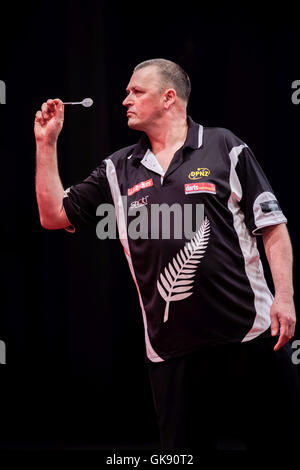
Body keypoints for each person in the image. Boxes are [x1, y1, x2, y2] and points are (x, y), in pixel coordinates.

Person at [34, 58, 300, 452]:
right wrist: (46, 143)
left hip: (250, 336)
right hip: (171, 353)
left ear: (168, 98)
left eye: (136, 91)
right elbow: (53, 215)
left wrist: (286, 296)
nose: (125, 99)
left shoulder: (224, 145)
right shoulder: (117, 168)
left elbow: (273, 227)